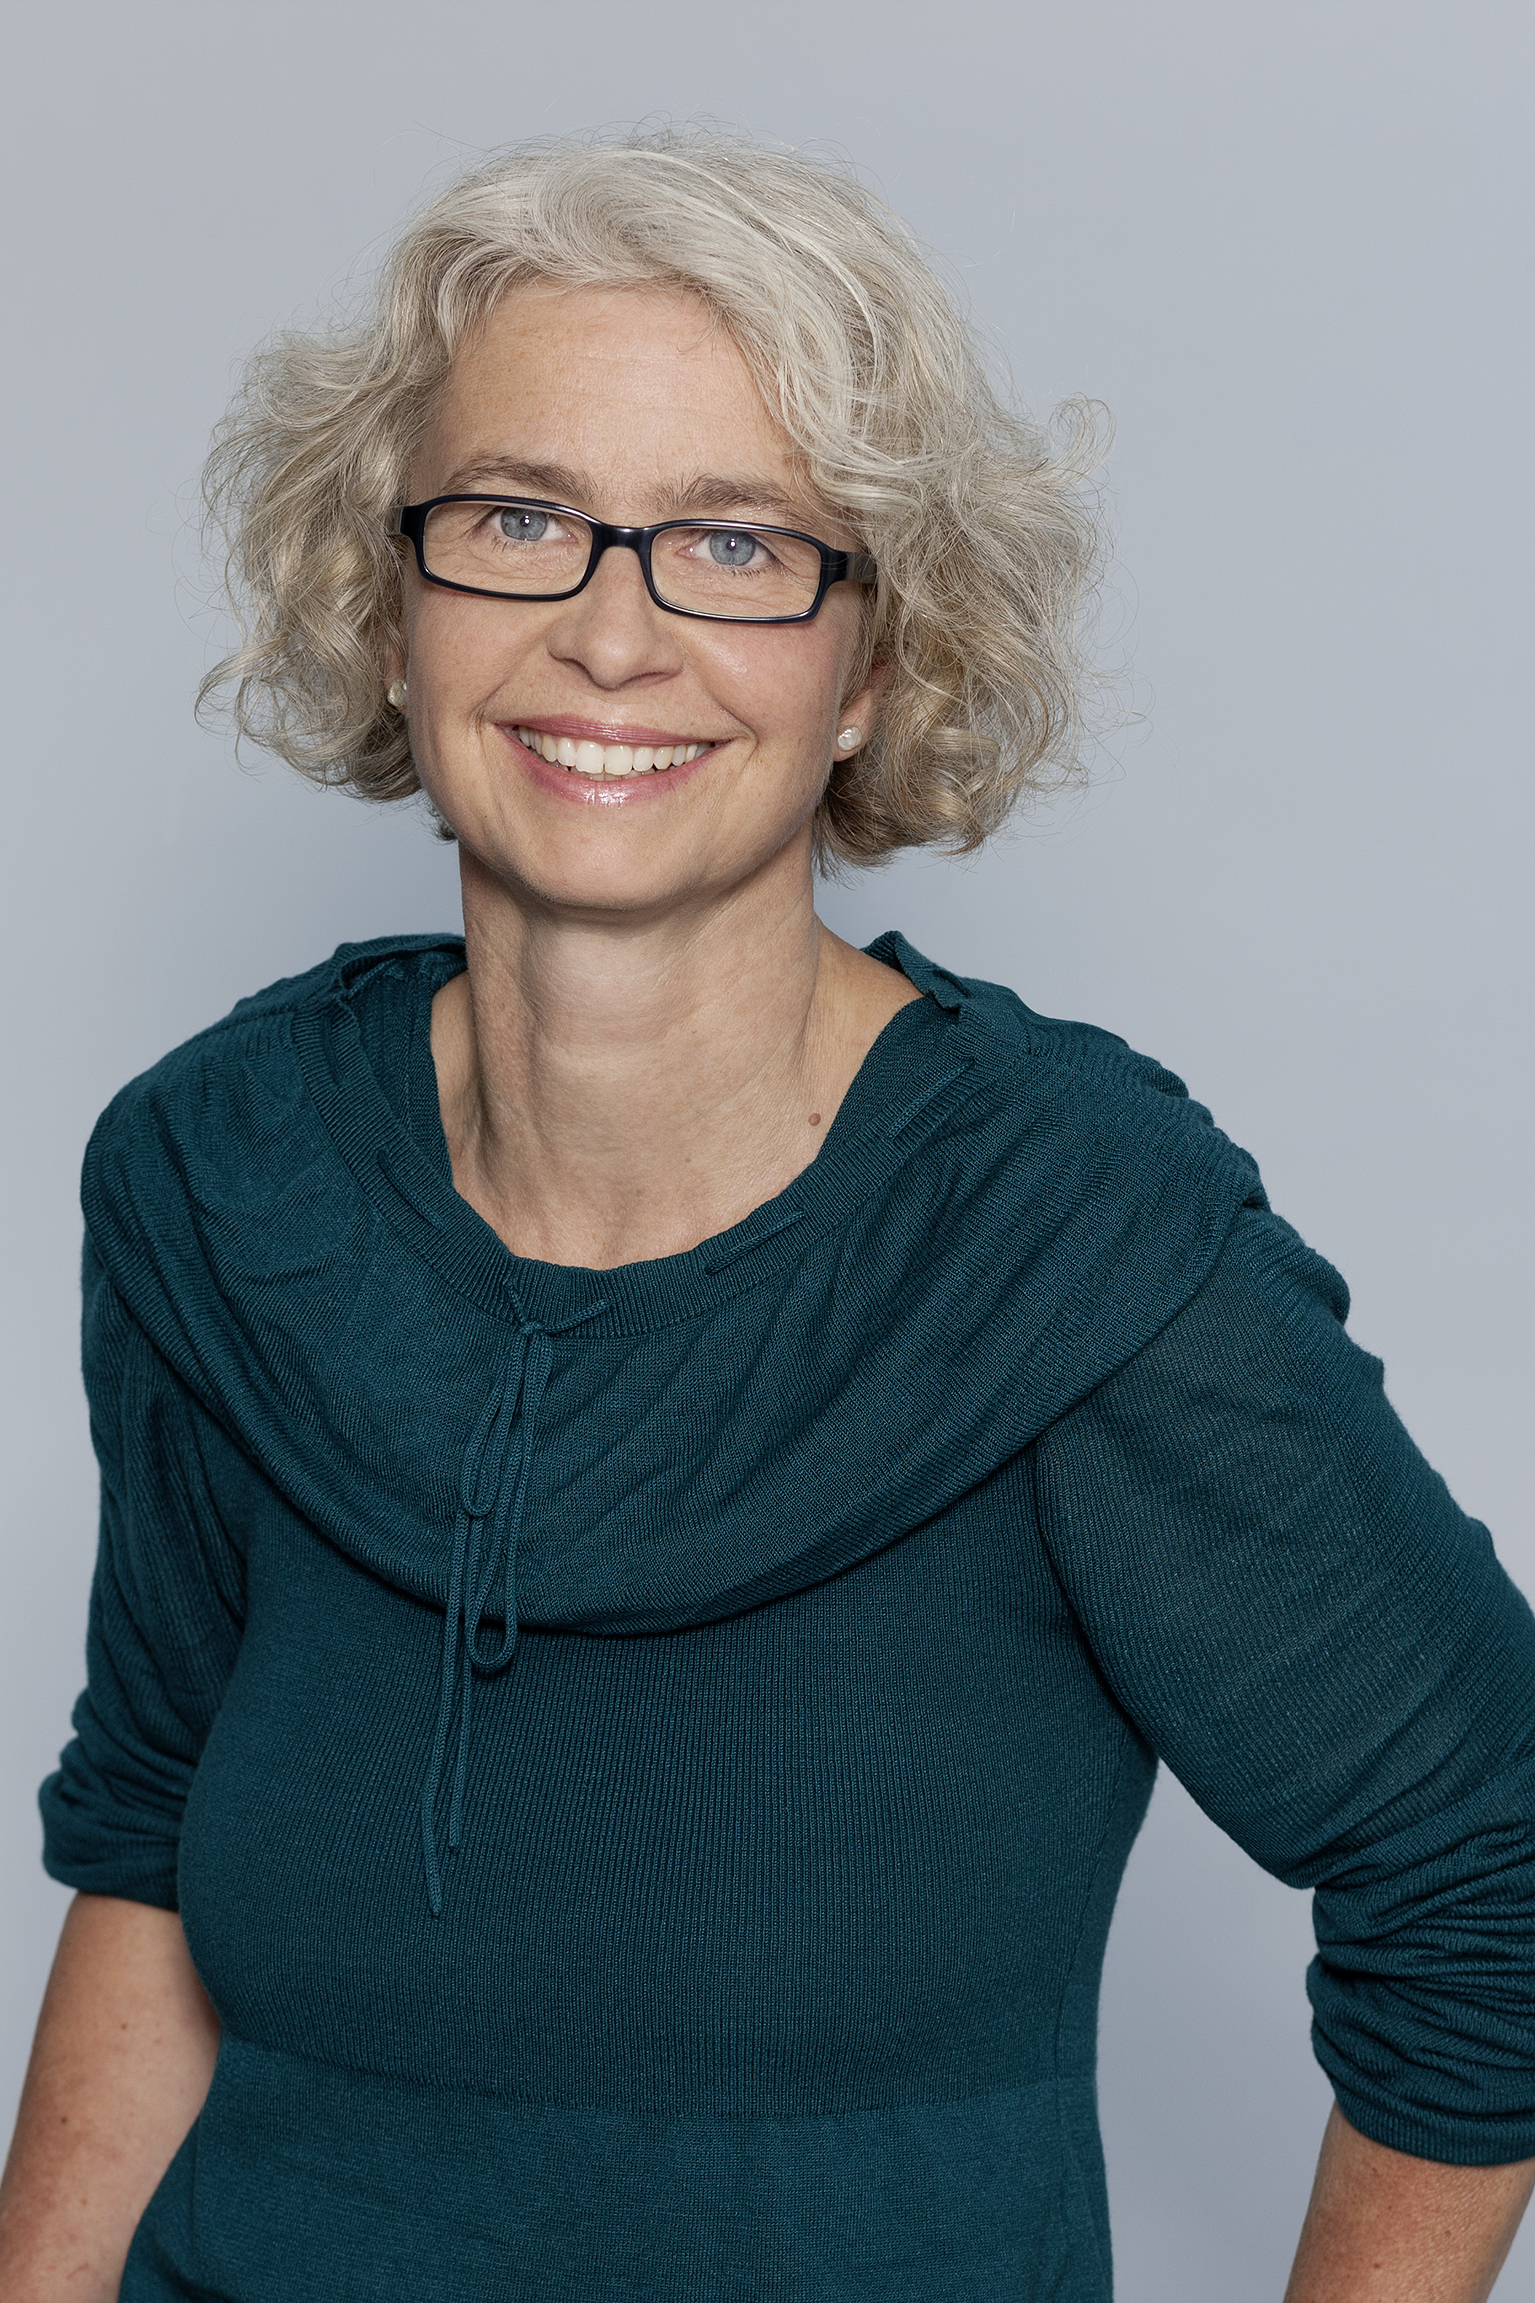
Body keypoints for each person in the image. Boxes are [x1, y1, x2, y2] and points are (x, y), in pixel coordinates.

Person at [1, 128, 1532, 2303]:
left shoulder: (1068, 1238)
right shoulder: (217, 1174)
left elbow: (1491, 1875)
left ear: (877, 665)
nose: (611, 633)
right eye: (516, 518)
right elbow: (151, 1844)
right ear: (390, 603)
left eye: (737, 542)